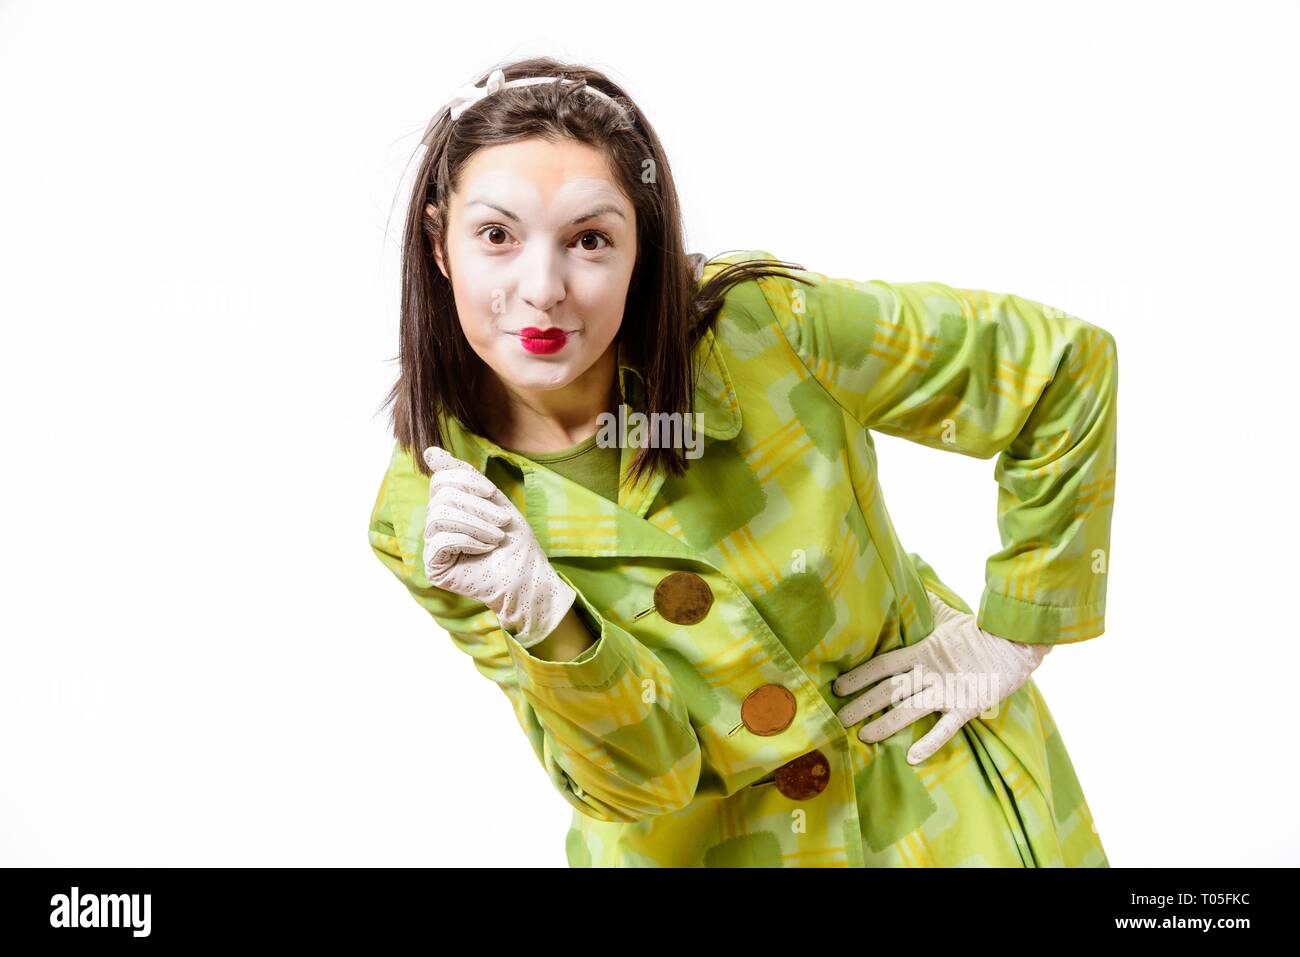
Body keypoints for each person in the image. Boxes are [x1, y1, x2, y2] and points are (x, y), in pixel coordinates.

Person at [367, 56, 1118, 867]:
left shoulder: (763, 329)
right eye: (497, 236)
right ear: (440, 245)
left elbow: (1058, 368)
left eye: (590, 239)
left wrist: (1016, 629)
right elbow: (642, 781)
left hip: (931, 813)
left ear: (642, 250)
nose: (542, 287)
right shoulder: (431, 514)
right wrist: (548, 618)